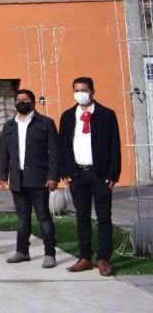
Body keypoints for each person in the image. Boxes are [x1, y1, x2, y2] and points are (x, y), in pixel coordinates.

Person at [59, 77, 121, 276]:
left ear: (92, 91)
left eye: (84, 90)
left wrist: (113, 173)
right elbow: (63, 147)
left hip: (101, 174)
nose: (80, 93)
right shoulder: (68, 116)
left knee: (103, 217)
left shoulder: (106, 115)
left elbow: (115, 146)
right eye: (76, 90)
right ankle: (85, 257)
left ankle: (103, 258)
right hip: (78, 174)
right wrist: (65, 170)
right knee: (82, 216)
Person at [0, 89, 59, 268]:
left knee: (43, 217)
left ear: (32, 103)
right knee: (22, 217)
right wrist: (2, 175)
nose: (21, 102)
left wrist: (53, 175)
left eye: (25, 100)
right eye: (18, 100)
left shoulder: (46, 123)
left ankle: (50, 254)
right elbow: (3, 154)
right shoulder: (9, 125)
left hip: (39, 178)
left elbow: (54, 152)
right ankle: (22, 251)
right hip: (17, 178)